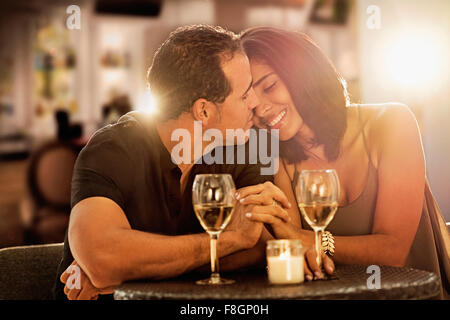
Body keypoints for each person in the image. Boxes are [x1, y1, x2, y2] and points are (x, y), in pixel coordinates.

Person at [54, 25, 334, 300]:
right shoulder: (113, 149)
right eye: (245, 93)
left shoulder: (246, 145)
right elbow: (103, 258)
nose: (255, 104)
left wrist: (131, 269)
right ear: (204, 111)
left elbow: (266, 249)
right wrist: (229, 241)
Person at [238, 26, 449, 298]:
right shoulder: (277, 158)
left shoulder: (392, 123)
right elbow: (296, 253)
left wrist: (311, 240)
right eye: (250, 104)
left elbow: (393, 252)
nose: (262, 110)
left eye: (270, 86)